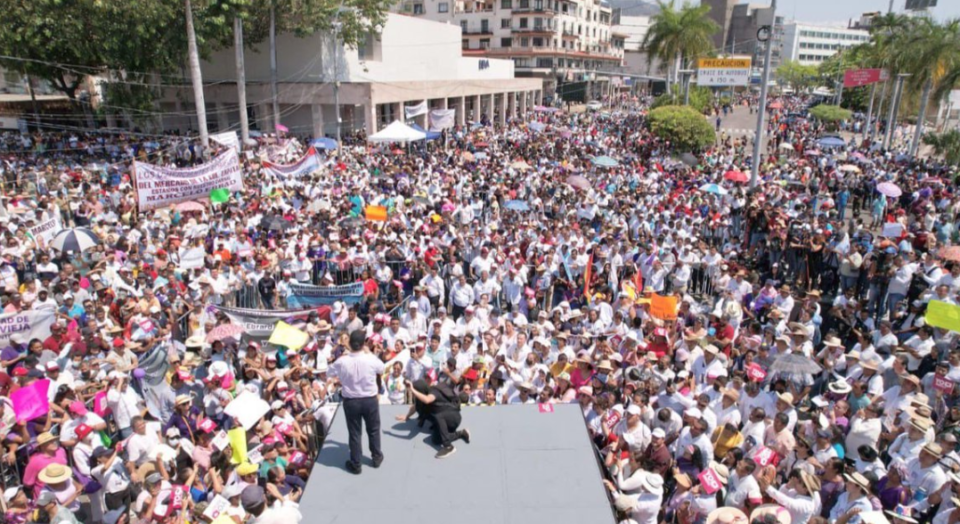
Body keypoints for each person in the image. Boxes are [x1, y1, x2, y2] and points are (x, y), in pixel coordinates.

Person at [328, 329, 385, 474]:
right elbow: (382, 368)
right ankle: (376, 457)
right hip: (369, 400)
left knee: (355, 433)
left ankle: (356, 463)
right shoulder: (370, 358)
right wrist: (369, 352)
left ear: (350, 344)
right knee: (373, 429)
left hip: (351, 401)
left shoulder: (342, 361)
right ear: (363, 343)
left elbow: (329, 372)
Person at [398, 379, 471, 458]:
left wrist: (412, 389)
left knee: (438, 414)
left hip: (453, 417)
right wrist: (407, 416)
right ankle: (462, 433)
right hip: (444, 422)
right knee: (436, 440)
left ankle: (448, 446)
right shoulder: (422, 398)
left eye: (416, 391)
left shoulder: (433, 392)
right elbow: (416, 406)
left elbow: (427, 400)